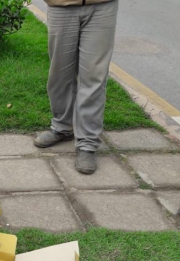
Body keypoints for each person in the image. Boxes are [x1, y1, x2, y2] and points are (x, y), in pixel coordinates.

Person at [34, 0, 119, 174]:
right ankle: (62, 127)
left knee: (94, 76)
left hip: (103, 6)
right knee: (60, 74)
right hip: (61, 6)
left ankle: (87, 143)